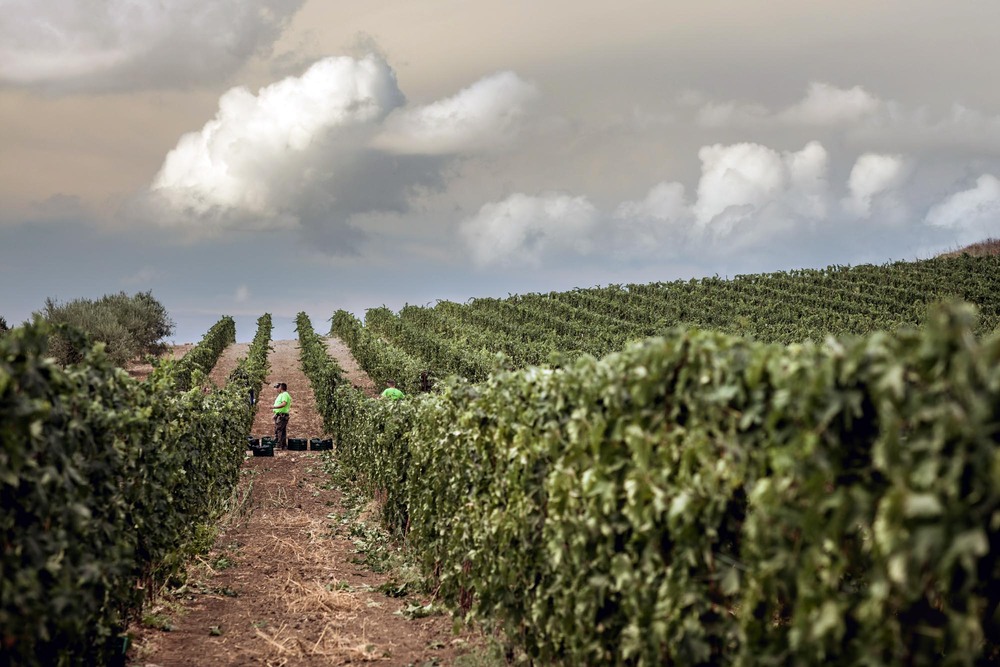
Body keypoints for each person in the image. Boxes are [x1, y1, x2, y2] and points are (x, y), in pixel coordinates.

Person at [272, 382, 292, 449]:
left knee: (279, 430)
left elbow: (284, 404)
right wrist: (276, 414)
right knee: (282, 430)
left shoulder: (284, 394)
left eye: (277, 388)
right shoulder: (281, 395)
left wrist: (274, 407)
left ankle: (279, 446)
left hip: (282, 416)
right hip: (280, 415)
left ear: (281, 388)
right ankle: (283, 446)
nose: (276, 389)